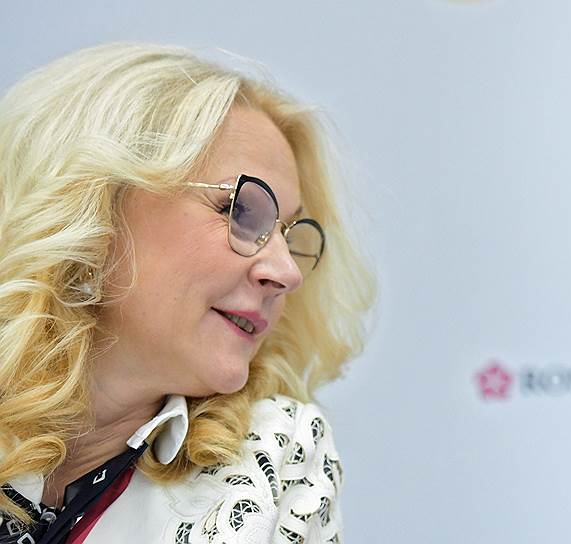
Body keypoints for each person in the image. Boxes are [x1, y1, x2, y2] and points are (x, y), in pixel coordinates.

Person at [0, 43, 373, 543]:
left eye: (290, 235)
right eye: (241, 212)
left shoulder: (274, 457)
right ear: (95, 206)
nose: (287, 272)